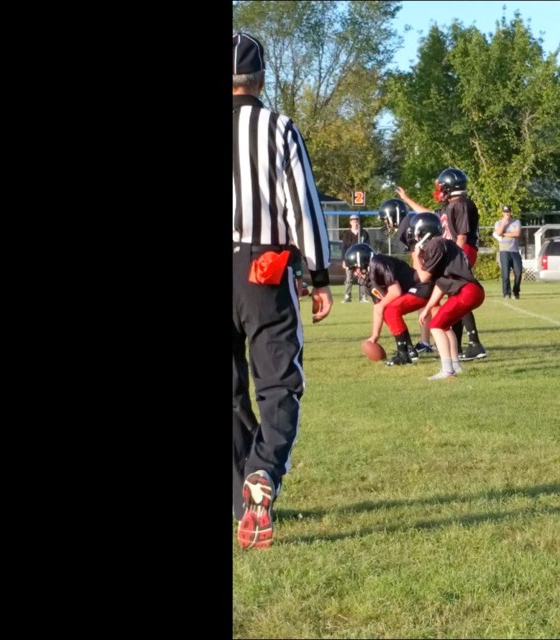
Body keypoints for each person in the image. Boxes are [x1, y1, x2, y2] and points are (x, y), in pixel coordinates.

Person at [232, 32, 333, 550]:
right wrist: (318, 276)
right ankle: (264, 472)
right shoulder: (277, 126)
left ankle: (241, 492)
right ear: (261, 79)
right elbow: (304, 205)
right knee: (277, 379)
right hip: (261, 267)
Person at [396, 168, 489, 361]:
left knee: (460, 292)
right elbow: (429, 215)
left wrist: (457, 256)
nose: (439, 190)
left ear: (449, 186)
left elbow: (462, 235)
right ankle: (464, 346)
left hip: (462, 250)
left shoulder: (462, 204)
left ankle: (474, 343)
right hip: (454, 251)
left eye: (441, 187)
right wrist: (408, 200)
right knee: (456, 295)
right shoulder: (450, 205)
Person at [408, 213, 486, 380]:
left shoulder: (436, 244)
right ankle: (455, 366)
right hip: (470, 290)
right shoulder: (445, 244)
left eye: (416, 231)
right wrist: (428, 308)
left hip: (466, 291)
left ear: (424, 231)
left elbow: (423, 277)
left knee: (436, 326)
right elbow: (441, 284)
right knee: (444, 325)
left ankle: (447, 370)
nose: (414, 235)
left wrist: (416, 255)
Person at [344, 242, 434, 366]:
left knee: (390, 310)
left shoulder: (378, 263)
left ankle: (403, 355)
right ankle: (409, 350)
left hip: (421, 287)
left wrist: (382, 305)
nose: (355, 273)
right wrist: (374, 336)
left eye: (355, 268)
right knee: (386, 310)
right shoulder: (370, 277)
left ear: (362, 261)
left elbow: (395, 291)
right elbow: (377, 309)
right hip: (411, 290)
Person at [380, 198, 434, 355]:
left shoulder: (407, 226)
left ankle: (431, 342)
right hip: (433, 264)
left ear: (393, 215)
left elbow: (417, 252)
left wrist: (419, 276)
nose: (386, 224)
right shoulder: (409, 221)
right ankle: (427, 341)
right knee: (429, 304)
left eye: (386, 219)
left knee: (428, 303)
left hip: (430, 267)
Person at [493, 205, 523, 299]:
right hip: (504, 251)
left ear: (511, 212)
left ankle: (516, 291)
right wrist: (504, 224)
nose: (507, 214)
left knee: (518, 272)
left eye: (508, 212)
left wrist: (504, 234)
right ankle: (506, 293)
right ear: (502, 213)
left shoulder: (516, 222)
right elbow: (497, 233)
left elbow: (517, 233)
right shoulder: (498, 223)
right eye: (505, 212)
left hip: (514, 250)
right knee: (505, 274)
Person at [341, 214, 371, 303]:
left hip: (361, 259)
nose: (355, 223)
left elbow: (367, 246)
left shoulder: (364, 233)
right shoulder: (346, 234)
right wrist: (344, 260)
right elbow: (344, 248)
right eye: (353, 221)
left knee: (362, 277)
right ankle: (347, 296)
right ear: (350, 223)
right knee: (349, 279)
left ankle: (363, 297)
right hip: (350, 259)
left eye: (357, 221)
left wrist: (367, 260)